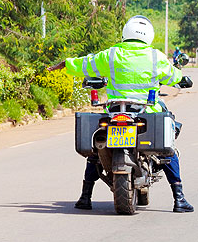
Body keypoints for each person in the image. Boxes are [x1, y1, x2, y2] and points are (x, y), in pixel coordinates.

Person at [48, 15, 194, 213]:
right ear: (148, 35)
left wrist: (66, 63)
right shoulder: (155, 56)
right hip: (146, 110)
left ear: (126, 33)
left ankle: (85, 196)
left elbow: (86, 64)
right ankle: (179, 199)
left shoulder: (112, 54)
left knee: (96, 151)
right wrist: (182, 78)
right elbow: (173, 75)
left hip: (115, 110)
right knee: (168, 149)